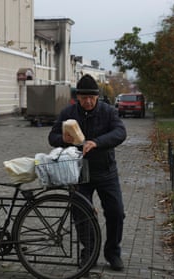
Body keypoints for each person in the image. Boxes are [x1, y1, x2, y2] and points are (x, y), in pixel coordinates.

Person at [48, 74, 127, 271]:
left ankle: (113, 253)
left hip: (106, 171)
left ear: (97, 97)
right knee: (82, 215)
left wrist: (97, 142)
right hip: (78, 173)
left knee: (116, 212)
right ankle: (89, 253)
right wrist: (64, 139)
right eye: (84, 98)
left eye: (91, 98)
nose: (88, 102)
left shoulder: (108, 111)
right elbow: (52, 136)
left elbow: (120, 132)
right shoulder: (69, 112)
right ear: (78, 98)